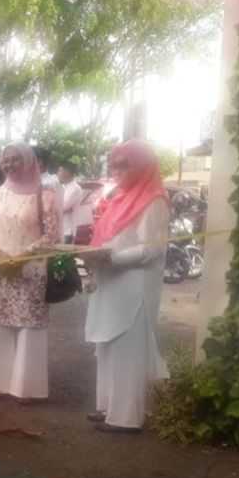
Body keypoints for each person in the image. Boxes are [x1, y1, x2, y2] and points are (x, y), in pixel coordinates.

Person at [83, 140, 170, 433]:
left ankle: (127, 417)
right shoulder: (119, 197)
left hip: (133, 287)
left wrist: (111, 258)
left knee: (127, 351)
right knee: (107, 347)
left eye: (124, 164)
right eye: (114, 164)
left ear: (142, 165)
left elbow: (152, 250)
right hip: (111, 283)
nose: (116, 170)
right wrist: (97, 258)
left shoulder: (153, 199)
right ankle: (109, 407)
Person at [0, 143, 59, 402]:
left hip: (31, 270)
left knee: (28, 326)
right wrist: (2, 258)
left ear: (29, 161)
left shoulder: (45, 194)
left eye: (16, 159)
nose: (10, 165)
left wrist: (22, 258)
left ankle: (26, 388)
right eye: (6, 160)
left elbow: (52, 235)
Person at [33, 146, 64, 242]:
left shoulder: (48, 183)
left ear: (39, 162)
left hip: (45, 234)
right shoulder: (46, 180)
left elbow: (52, 212)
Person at [57, 162, 85, 244]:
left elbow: (62, 207)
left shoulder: (74, 189)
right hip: (61, 229)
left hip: (67, 230)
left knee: (63, 255)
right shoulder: (64, 186)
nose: (57, 173)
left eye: (60, 171)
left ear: (67, 172)